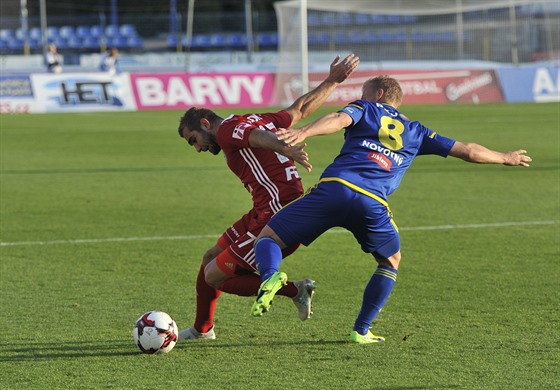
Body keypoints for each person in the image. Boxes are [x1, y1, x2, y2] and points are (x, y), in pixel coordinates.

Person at [250, 75, 532, 344]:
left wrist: (303, 131)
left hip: (334, 189)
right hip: (372, 203)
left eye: (363, 93)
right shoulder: (417, 131)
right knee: (390, 260)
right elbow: (468, 150)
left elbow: (338, 119)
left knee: (269, 238)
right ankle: (361, 330)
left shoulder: (366, 108)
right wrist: (504, 157)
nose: (360, 98)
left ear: (379, 94)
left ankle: (271, 274)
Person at [176, 54, 360, 340]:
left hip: (278, 211)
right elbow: (299, 109)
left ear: (204, 123)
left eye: (193, 140)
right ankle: (202, 330)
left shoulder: (226, 130)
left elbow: (255, 138)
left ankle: (295, 289)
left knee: (214, 275)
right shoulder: (253, 119)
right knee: (210, 256)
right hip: (263, 208)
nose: (197, 148)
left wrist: (282, 147)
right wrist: (332, 81)